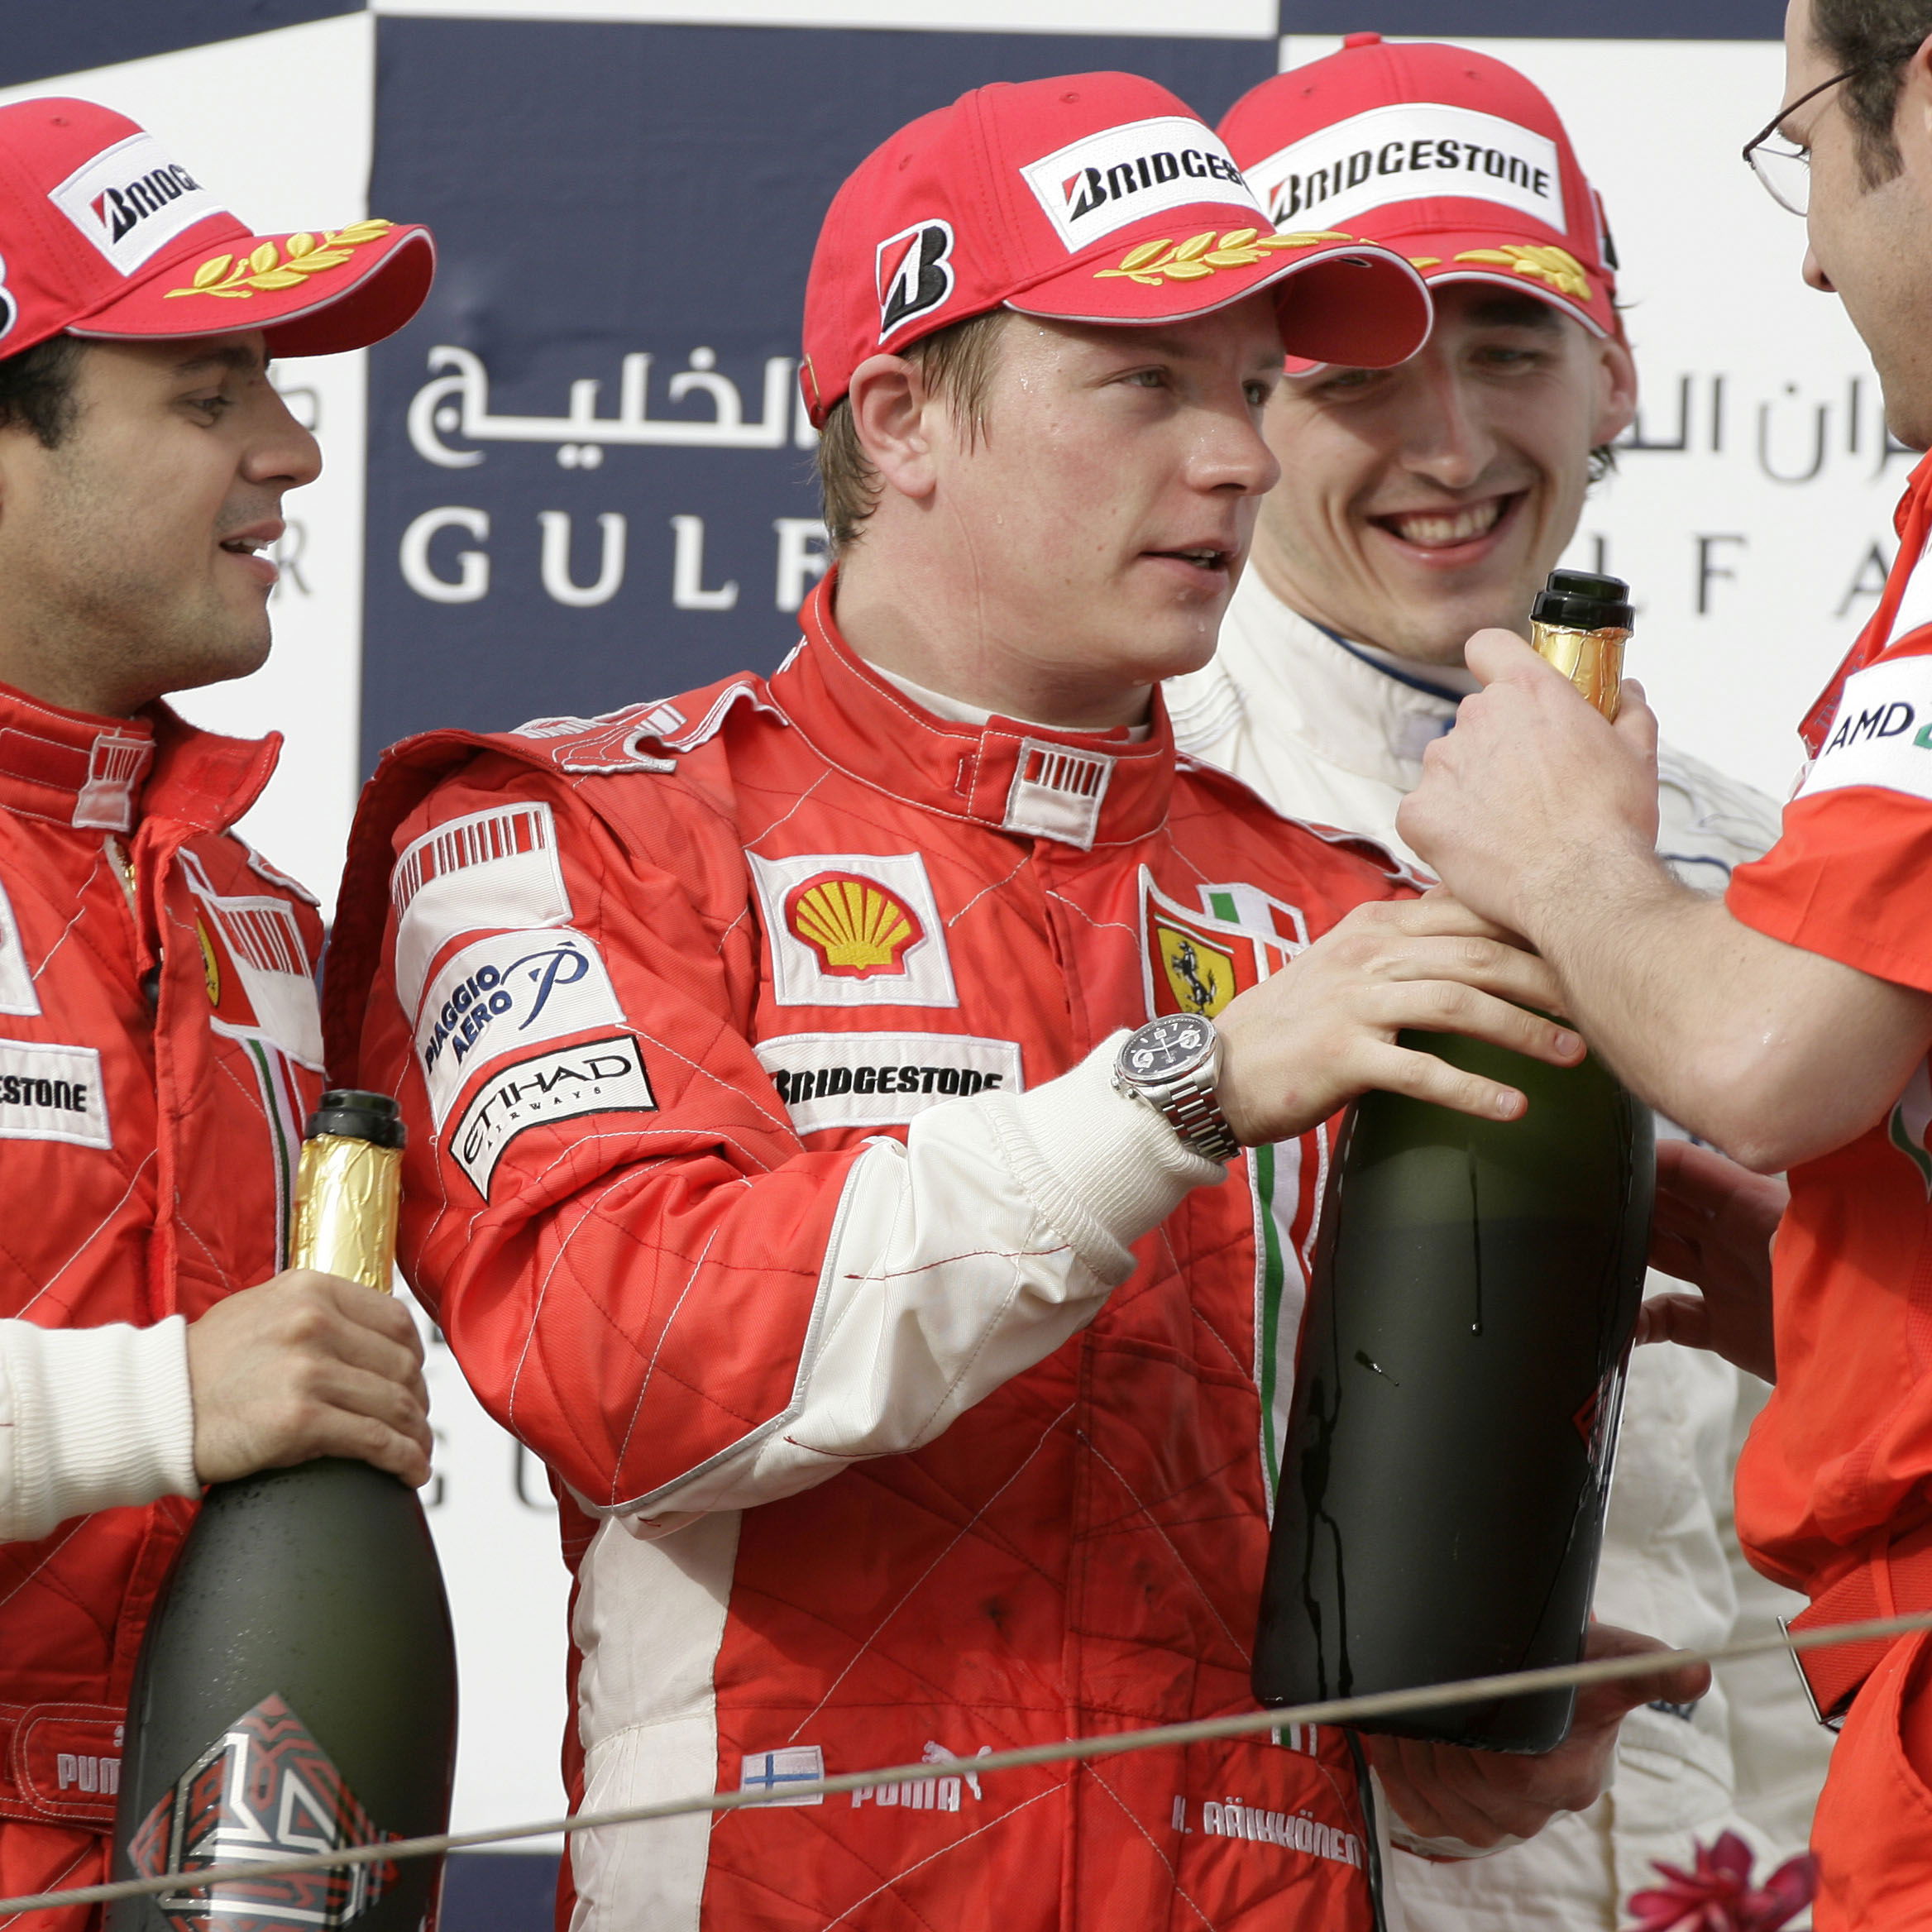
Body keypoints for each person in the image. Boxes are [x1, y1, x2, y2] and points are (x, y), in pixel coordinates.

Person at [324, 72, 1704, 1931]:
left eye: (1241, 386)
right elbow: (632, 1360)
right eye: (1145, 382)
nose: (1231, 457)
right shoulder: (572, 831)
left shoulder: (1351, 908)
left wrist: (1464, 1709)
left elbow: (1375, 1571)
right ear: (900, 418)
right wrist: (1184, 1086)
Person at [1164, 36, 1831, 1923]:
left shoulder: (1783, 864)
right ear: (1239, 408)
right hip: (1308, 1862)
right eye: (1358, 375)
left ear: (1617, 376)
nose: (1452, 441)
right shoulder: (1132, 833)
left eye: (1515, 351)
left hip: (1766, 1864)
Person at [1393, 2, 1932, 1923]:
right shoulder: (1137, 830)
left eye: (1804, 144)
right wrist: (1829, 1309)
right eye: (1356, 365)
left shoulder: (1684, 829)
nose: (1802, 249)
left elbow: (1777, 1059)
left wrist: (1564, 864)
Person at [0, 96, 437, 1917]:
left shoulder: (250, 905)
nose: (293, 449)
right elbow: (201, 1404)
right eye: (204, 399)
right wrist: (164, 1398)